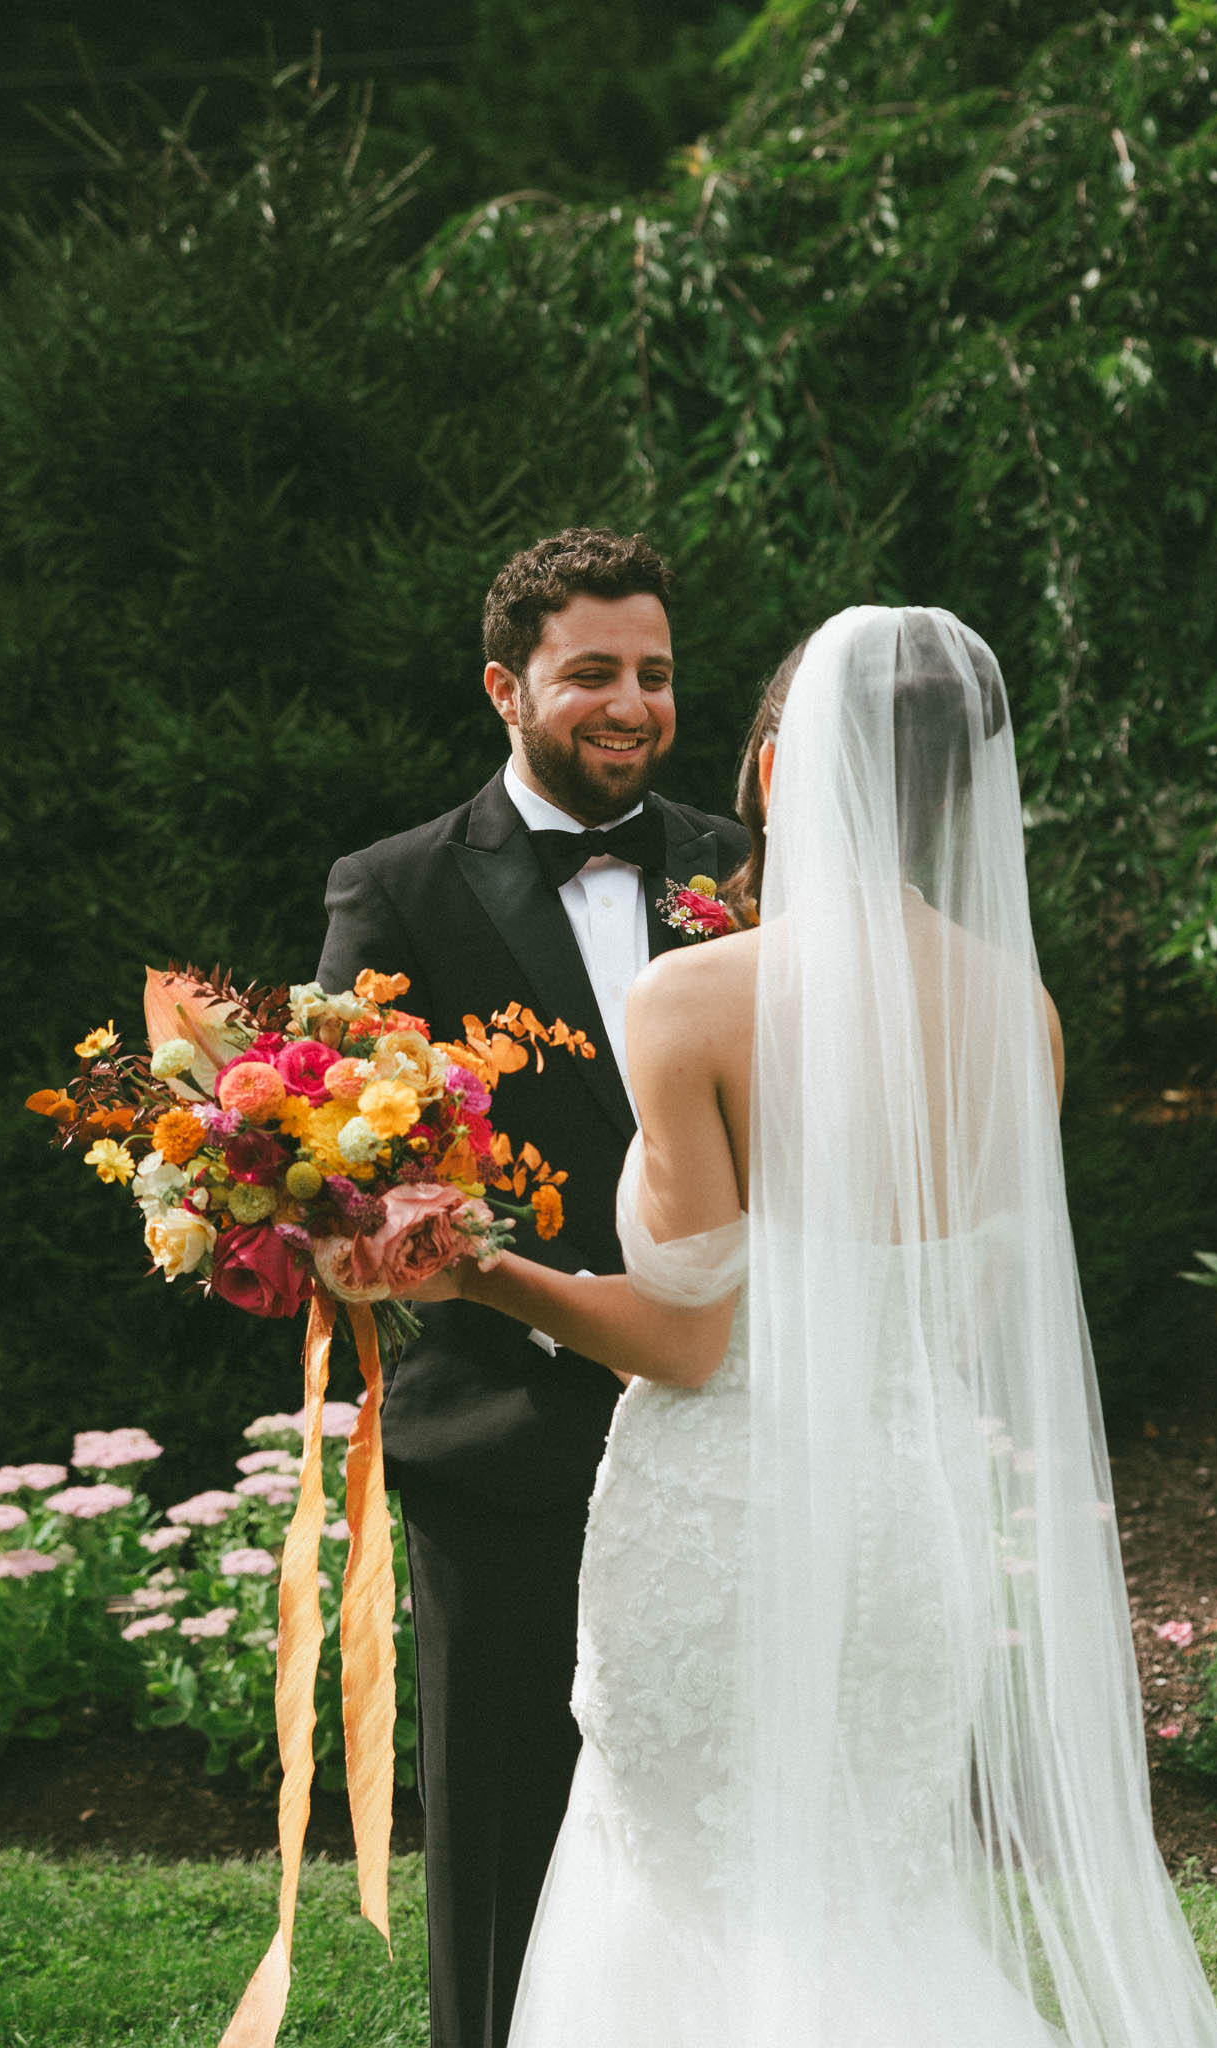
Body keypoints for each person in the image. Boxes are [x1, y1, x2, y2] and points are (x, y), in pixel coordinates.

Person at [412, 606, 1217, 2046]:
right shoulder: (1016, 1014)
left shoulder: (692, 1003)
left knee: (684, 1902)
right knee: (874, 1900)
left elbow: (686, 1341)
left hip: (719, 1528)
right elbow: (966, 1310)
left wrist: (472, 1270)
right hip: (903, 1525)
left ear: (784, 774)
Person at [314, 527, 748, 2048]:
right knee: (504, 1846)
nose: (630, 703)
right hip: (502, 1444)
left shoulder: (735, 873)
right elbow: (341, 1170)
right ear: (506, 687)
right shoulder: (396, 889)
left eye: (654, 673)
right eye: (590, 675)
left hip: (722, 1441)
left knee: (712, 1850)